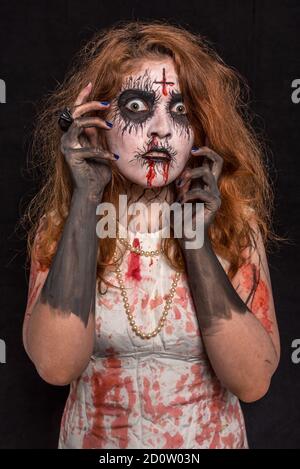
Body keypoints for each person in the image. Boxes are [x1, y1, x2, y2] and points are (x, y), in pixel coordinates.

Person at [22, 21, 280, 449]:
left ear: (199, 128)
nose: (161, 128)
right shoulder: (62, 226)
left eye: (180, 110)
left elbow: (252, 381)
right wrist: (86, 200)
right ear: (98, 120)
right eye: (139, 106)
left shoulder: (235, 226)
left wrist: (194, 236)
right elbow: (55, 365)